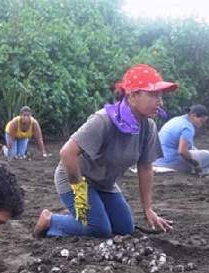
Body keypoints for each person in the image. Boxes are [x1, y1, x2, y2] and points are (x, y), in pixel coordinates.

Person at [33, 64, 175, 239]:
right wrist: (81, 197)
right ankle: (51, 221)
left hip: (104, 184)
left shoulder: (148, 126)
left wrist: (148, 209)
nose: (160, 102)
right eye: (153, 95)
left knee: (125, 228)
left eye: (160, 96)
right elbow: (67, 153)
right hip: (75, 179)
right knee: (99, 229)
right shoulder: (104, 120)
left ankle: (80, 215)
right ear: (132, 96)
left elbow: (145, 167)